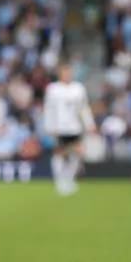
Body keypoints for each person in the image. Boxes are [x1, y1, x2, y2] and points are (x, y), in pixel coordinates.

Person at [43, 62, 97, 196]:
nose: (67, 75)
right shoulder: (53, 89)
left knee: (76, 153)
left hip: (75, 127)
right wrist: (49, 126)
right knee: (60, 154)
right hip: (60, 127)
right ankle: (59, 180)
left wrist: (89, 124)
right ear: (60, 74)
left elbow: (84, 108)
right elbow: (49, 109)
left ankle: (69, 179)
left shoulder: (78, 88)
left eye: (69, 72)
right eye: (64, 72)